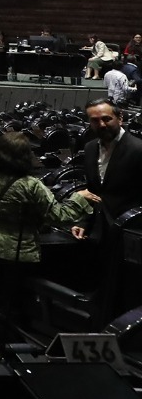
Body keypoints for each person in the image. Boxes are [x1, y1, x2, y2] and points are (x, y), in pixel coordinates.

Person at [0, 130, 95, 321]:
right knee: (16, 304)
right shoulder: (31, 185)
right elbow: (61, 216)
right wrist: (78, 197)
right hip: (19, 253)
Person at [74, 99, 142, 321]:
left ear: (120, 118)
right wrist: (83, 222)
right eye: (95, 120)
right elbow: (94, 191)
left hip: (131, 232)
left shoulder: (138, 149)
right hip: (101, 231)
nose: (101, 124)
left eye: (106, 118)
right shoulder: (89, 148)